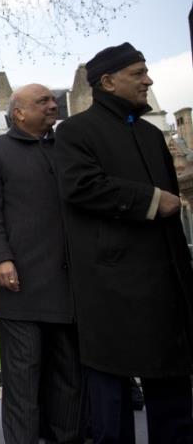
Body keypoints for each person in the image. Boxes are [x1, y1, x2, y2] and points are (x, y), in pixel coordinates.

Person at [55, 42, 193, 443]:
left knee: (172, 394)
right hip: (111, 286)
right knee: (111, 398)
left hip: (164, 282)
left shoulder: (150, 134)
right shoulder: (75, 131)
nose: (148, 80)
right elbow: (80, 187)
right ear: (108, 82)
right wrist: (152, 200)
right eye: (138, 73)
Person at [0, 84, 85, 443]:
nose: (54, 105)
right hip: (19, 288)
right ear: (19, 112)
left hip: (70, 288)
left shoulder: (68, 150)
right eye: (44, 102)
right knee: (23, 379)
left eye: (53, 101)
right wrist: (0, 260)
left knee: (69, 377)